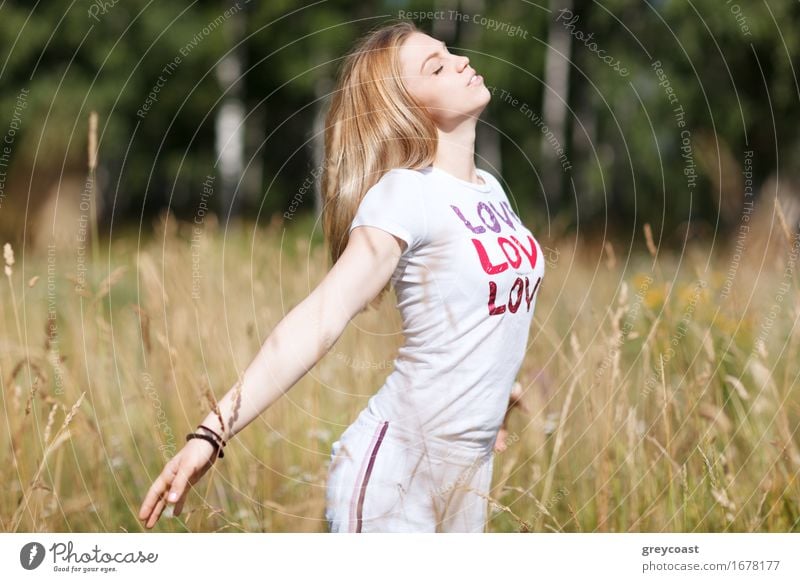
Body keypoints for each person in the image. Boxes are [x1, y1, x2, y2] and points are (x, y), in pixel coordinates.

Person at [138, 20, 545, 533]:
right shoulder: (405, 192)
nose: (461, 61)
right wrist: (210, 434)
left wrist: (495, 390)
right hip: (393, 480)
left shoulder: (492, 191)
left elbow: (486, 308)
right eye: (436, 66)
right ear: (405, 105)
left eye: (449, 53)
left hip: (469, 475)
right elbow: (321, 319)